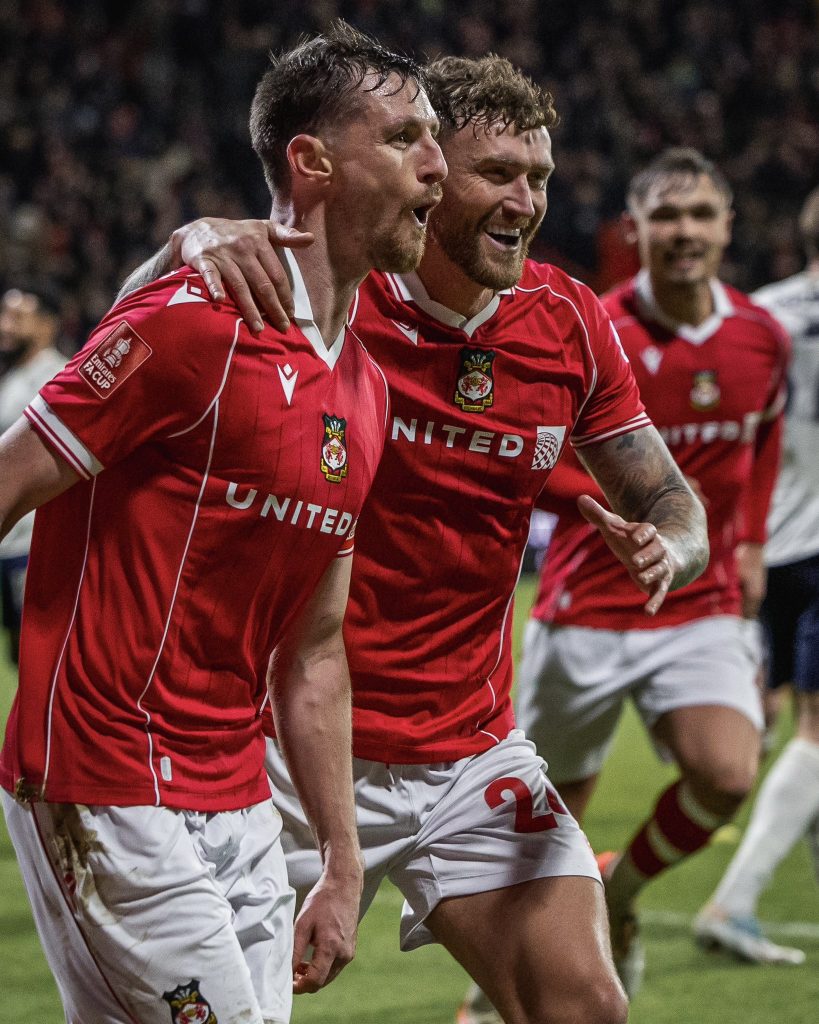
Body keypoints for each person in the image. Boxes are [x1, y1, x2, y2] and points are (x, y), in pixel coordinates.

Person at [125, 57, 709, 1024]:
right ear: (428, 176)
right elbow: (129, 343)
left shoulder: (566, 322)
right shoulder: (325, 291)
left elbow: (667, 496)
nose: (525, 200)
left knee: (584, 1010)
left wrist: (667, 548)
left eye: (539, 177)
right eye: (497, 175)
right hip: (280, 747)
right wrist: (183, 244)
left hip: (465, 749)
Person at [0, 22, 446, 1024]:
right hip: (100, 780)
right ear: (312, 161)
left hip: (238, 795)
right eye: (406, 137)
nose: (436, 164)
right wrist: (174, 249)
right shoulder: (193, 322)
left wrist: (340, 856)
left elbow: (317, 652)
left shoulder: (367, 393)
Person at [512, 148, 790, 998]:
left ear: (726, 228)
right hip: (583, 608)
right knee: (529, 834)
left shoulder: (759, 336)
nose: (684, 233)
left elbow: (762, 436)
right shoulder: (590, 328)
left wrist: (744, 546)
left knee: (728, 772)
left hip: (696, 604)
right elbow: (538, 453)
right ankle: (502, 988)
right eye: (665, 217)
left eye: (700, 215)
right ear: (634, 231)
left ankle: (621, 891)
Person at [693, 185, 819, 965]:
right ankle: (732, 902)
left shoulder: (760, 314)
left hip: (766, 544)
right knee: (814, 731)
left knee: (780, 722)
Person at [0, 288, 67, 663]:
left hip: (33, 546)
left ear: (46, 325)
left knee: (35, 658)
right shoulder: (14, 378)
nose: (4, 326)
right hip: (10, 540)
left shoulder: (56, 378)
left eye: (16, 318)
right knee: (16, 656)